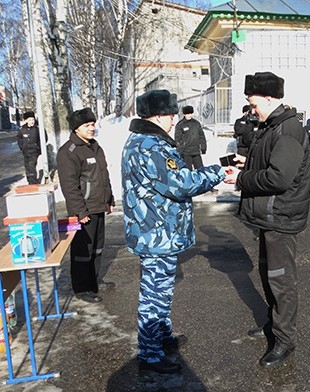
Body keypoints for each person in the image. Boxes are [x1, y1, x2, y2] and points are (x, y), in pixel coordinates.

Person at [121, 89, 225, 374]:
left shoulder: (142, 141)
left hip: (154, 231)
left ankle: (161, 338)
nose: (173, 119)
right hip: (157, 234)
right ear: (157, 115)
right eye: (170, 114)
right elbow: (180, 183)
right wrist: (219, 172)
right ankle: (149, 353)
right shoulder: (152, 145)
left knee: (161, 291)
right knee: (155, 294)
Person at [223, 71, 310, 368]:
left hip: (280, 216)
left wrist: (241, 179)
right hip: (269, 216)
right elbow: (273, 162)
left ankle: (285, 340)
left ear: (271, 98)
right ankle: (275, 324)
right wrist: (246, 163)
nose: (252, 109)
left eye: (254, 103)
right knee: (268, 275)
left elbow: (279, 177)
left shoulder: (287, 129)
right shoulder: (272, 125)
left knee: (281, 280)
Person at [56, 108, 115, 304]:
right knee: (83, 250)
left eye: (93, 124)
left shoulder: (95, 146)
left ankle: (94, 281)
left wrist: (109, 199)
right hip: (84, 210)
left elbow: (103, 175)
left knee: (97, 248)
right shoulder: (68, 152)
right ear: (76, 129)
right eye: (87, 125)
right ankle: (82, 288)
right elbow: (70, 186)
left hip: (98, 205)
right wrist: (80, 211)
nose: (92, 128)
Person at [174, 105, 206, 170]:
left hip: (196, 152)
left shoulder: (196, 123)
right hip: (186, 153)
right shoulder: (180, 125)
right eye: (188, 114)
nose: (189, 115)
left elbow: (201, 136)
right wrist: (180, 150)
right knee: (187, 171)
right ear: (184, 114)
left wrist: (203, 147)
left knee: (201, 170)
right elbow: (178, 139)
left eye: (191, 113)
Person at [17, 111, 45, 184]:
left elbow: (44, 138)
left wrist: (38, 147)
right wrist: (22, 147)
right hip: (26, 151)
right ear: (26, 120)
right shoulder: (22, 129)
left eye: (33, 120)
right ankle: (29, 180)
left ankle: (33, 181)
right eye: (30, 120)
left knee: (31, 165)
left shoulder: (37, 129)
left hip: (34, 151)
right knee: (27, 166)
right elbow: (19, 139)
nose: (32, 122)